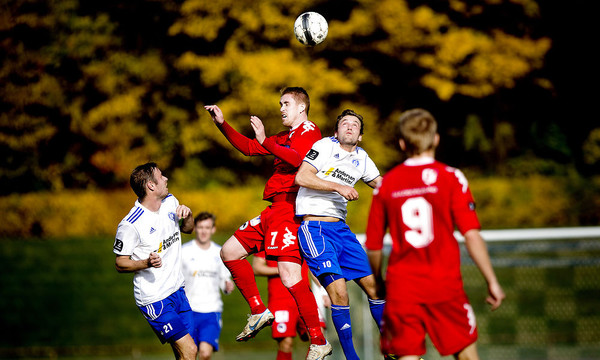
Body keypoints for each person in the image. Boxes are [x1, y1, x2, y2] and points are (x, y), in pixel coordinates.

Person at [365, 108, 506, 360]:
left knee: (407, 356)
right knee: (466, 354)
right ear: (436, 139)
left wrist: (377, 282)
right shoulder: (451, 177)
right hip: (444, 284)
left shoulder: (386, 184)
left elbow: (374, 245)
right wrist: (492, 281)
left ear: (401, 143)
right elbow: (471, 235)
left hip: (402, 288)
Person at [204, 87, 332, 360]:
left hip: (290, 208)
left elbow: (298, 160)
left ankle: (319, 341)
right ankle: (258, 310)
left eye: (286, 103)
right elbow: (250, 147)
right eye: (280, 104)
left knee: (289, 277)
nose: (281, 108)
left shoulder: (310, 130)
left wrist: (266, 140)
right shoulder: (284, 136)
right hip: (273, 209)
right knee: (229, 252)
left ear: (301, 107)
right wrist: (222, 124)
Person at [295, 109, 385, 360]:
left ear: (360, 135)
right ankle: (351, 357)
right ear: (336, 132)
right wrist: (338, 186)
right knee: (340, 292)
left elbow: (383, 184)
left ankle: (393, 351)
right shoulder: (324, 146)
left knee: (377, 288)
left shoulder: (362, 157)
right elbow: (301, 176)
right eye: (344, 123)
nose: (349, 126)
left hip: (342, 231)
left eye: (355, 124)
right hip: (315, 229)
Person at [113, 162, 197, 360]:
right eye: (161, 176)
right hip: (155, 299)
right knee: (190, 350)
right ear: (151, 185)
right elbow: (120, 263)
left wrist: (189, 215)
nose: (166, 179)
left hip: (178, 291)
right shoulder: (130, 224)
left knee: (186, 354)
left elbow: (188, 229)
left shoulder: (170, 201)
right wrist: (146, 263)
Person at [252, 251, 329, 360]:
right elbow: (256, 267)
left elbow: (313, 267)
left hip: (304, 297)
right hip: (280, 301)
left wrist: (324, 291)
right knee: (286, 343)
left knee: (318, 337)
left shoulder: (301, 237)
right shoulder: (269, 238)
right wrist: (282, 269)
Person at [181, 212, 235, 360]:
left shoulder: (220, 252)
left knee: (205, 353)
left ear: (213, 229)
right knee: (188, 354)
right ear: (195, 228)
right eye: (200, 227)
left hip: (211, 311)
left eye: (207, 227)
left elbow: (224, 279)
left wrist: (227, 286)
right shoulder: (184, 251)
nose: (204, 231)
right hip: (188, 310)